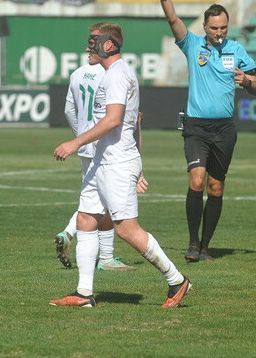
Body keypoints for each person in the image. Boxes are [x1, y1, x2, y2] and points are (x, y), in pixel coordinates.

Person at [50, 23, 191, 308]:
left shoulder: (116, 74)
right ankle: (84, 293)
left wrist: (75, 143)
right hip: (102, 159)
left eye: (93, 41)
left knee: (126, 229)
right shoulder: (110, 73)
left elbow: (114, 119)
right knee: (86, 219)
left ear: (109, 45)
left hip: (116, 160)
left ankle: (176, 280)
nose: (89, 46)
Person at [149, 0, 256, 262]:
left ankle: (206, 246)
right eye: (214, 28)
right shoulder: (192, 44)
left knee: (215, 186)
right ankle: (192, 243)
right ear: (205, 26)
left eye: (224, 27)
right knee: (196, 181)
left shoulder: (237, 50)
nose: (220, 33)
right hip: (196, 127)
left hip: (224, 130)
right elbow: (172, 18)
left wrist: (247, 81)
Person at [53, 23, 142, 271]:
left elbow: (69, 110)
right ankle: (103, 256)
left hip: (83, 143)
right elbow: (121, 118)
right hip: (107, 145)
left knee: (92, 198)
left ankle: (90, 255)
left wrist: (79, 136)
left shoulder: (78, 73)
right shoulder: (111, 73)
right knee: (104, 201)